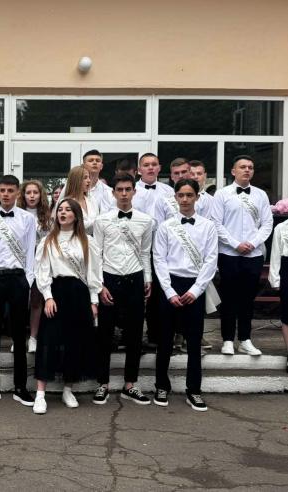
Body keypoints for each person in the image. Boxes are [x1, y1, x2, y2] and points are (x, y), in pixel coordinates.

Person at [153, 178, 218, 411]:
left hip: (195, 286)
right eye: (181, 195)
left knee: (193, 341)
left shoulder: (208, 227)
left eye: (190, 195)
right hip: (170, 285)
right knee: (164, 340)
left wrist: (196, 290)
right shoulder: (166, 226)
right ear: (175, 197)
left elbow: (211, 260)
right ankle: (161, 386)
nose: (185, 199)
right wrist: (169, 291)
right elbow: (159, 259)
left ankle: (194, 390)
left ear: (197, 197)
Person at [32, 198, 100, 414]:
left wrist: (94, 300)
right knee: (48, 340)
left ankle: (68, 389)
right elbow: (42, 270)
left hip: (79, 294)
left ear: (76, 215)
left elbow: (93, 272)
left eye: (68, 210)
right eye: (60, 209)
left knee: (75, 342)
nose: (62, 213)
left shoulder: (87, 241)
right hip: (56, 292)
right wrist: (48, 297)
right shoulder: (48, 241)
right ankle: (40, 394)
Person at [92, 175, 153, 405]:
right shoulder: (101, 220)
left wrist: (148, 278)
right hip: (109, 278)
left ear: (134, 191)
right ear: (113, 192)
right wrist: (99, 285)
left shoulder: (146, 221)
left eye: (128, 189)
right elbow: (96, 255)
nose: (124, 193)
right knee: (105, 334)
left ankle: (130, 384)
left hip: (135, 278)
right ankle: (102, 384)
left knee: (135, 334)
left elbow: (145, 252)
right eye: (120, 189)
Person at [0, 175, 36, 408]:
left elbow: (30, 253)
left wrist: (28, 283)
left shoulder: (28, 219)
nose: (5, 194)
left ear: (17, 193)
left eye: (10, 190)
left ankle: (21, 387)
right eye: (2, 190)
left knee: (19, 334)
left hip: (18, 279)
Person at [211, 155, 273, 356]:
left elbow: (267, 223)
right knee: (229, 298)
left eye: (250, 167)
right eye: (243, 167)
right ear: (233, 171)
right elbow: (216, 223)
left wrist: (253, 243)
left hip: (254, 256)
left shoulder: (261, 195)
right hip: (229, 254)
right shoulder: (221, 194)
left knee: (247, 299)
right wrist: (236, 244)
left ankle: (245, 340)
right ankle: (228, 340)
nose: (247, 170)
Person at [131, 153, 173, 347]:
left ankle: (156, 335)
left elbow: (173, 219)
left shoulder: (169, 191)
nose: (150, 168)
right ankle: (133, 337)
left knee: (158, 293)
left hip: (161, 249)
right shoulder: (131, 190)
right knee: (136, 293)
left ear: (159, 168)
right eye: (146, 165)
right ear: (139, 169)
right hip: (136, 248)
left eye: (154, 164)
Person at [17, 180, 52, 353]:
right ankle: (17, 338)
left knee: (37, 300)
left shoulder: (48, 217)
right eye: (28, 192)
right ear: (23, 195)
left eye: (35, 192)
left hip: (39, 262)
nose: (32, 196)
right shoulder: (17, 215)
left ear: (41, 195)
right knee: (19, 301)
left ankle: (33, 338)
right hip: (20, 262)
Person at [268, 220, 288, 373]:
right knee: (287, 313)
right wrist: (275, 278)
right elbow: (275, 254)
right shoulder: (281, 228)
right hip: (287, 268)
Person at [59, 166, 99, 234]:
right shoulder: (66, 202)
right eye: (85, 178)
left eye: (89, 177)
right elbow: (75, 224)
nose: (89, 180)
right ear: (76, 181)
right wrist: (99, 221)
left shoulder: (92, 200)